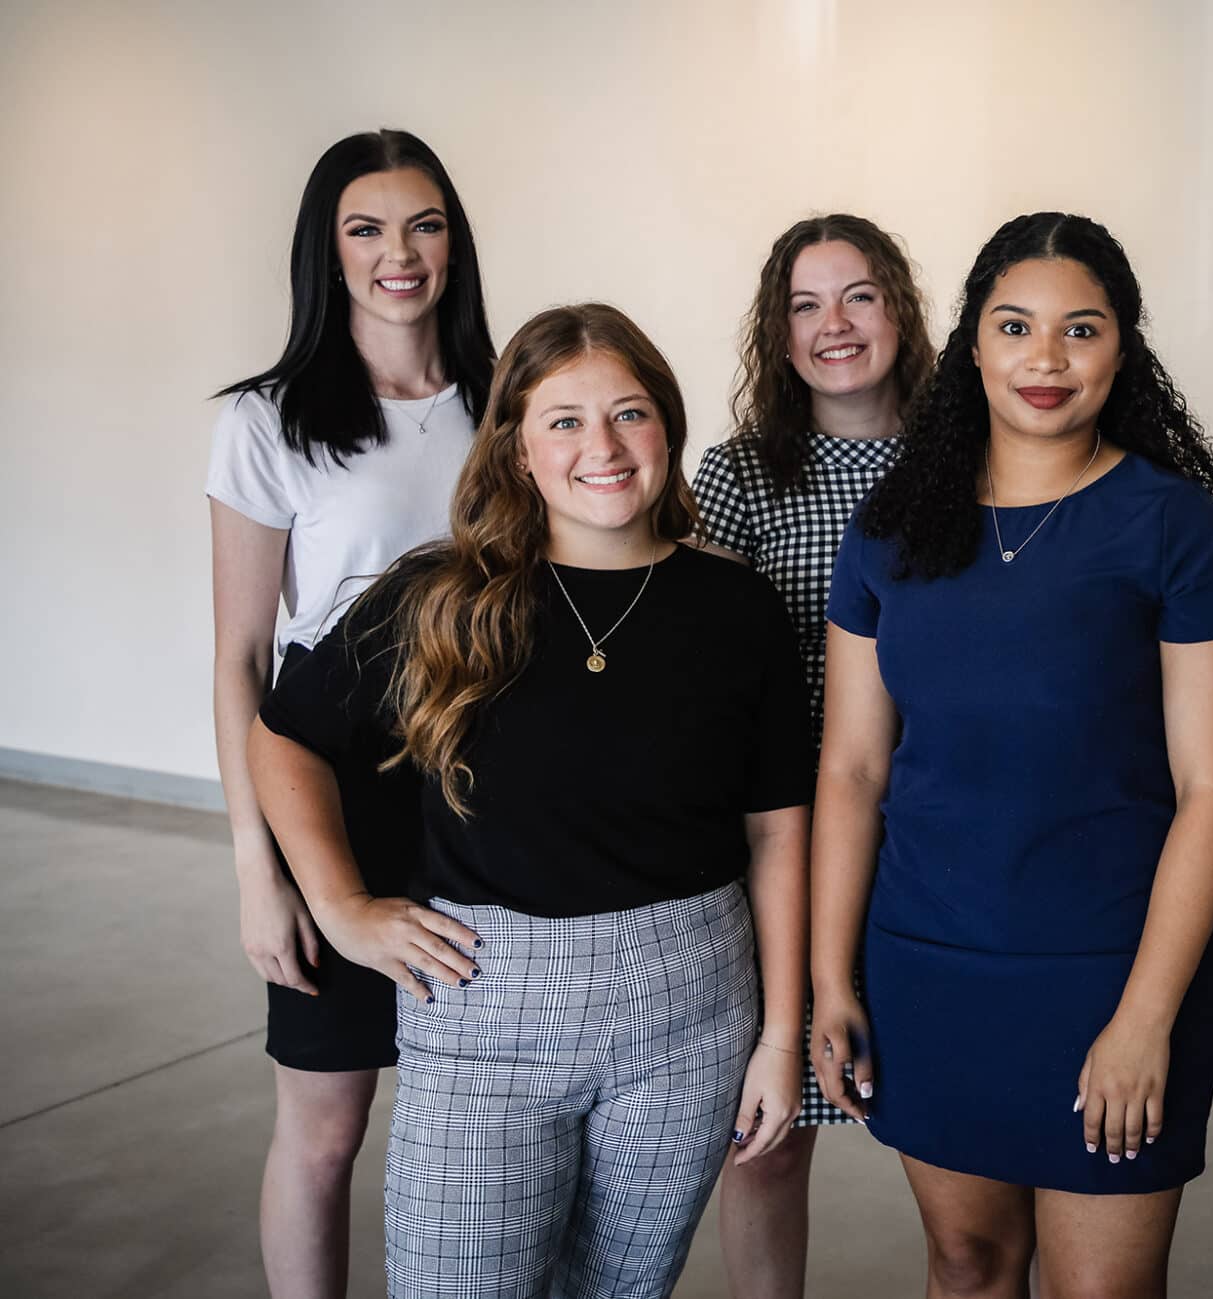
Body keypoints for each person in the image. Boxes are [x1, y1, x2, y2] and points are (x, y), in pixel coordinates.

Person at [247, 304, 813, 1299]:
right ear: (514, 448)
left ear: (667, 430)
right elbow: (286, 734)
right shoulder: (441, 599)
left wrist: (778, 1037)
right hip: (483, 1008)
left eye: (630, 414)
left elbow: (775, 831)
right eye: (563, 421)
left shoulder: (736, 608)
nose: (601, 446)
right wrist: (339, 906)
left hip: (689, 1009)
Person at [810, 211, 1213, 1299]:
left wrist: (1148, 1017)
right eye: (1015, 327)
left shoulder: (1171, 528)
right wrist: (831, 977)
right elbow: (852, 770)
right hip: (928, 962)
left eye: (1080, 330)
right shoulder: (891, 526)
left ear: (1123, 348)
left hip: (1110, 970)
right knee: (965, 1266)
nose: (1044, 360)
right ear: (972, 343)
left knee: (1098, 1291)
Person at [205, 127, 493, 1299]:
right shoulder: (263, 420)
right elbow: (239, 656)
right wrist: (255, 868)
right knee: (326, 1133)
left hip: (486, 788)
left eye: (423, 224)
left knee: (475, 1122)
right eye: (365, 230)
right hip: (328, 794)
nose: (399, 254)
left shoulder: (508, 401)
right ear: (327, 252)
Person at [691, 213, 935, 1299]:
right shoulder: (741, 473)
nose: (832, 325)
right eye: (804, 303)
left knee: (949, 1124)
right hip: (786, 824)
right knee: (770, 1124)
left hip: (931, 814)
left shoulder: (965, 459)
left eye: (858, 296)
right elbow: (698, 667)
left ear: (900, 310)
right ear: (776, 331)